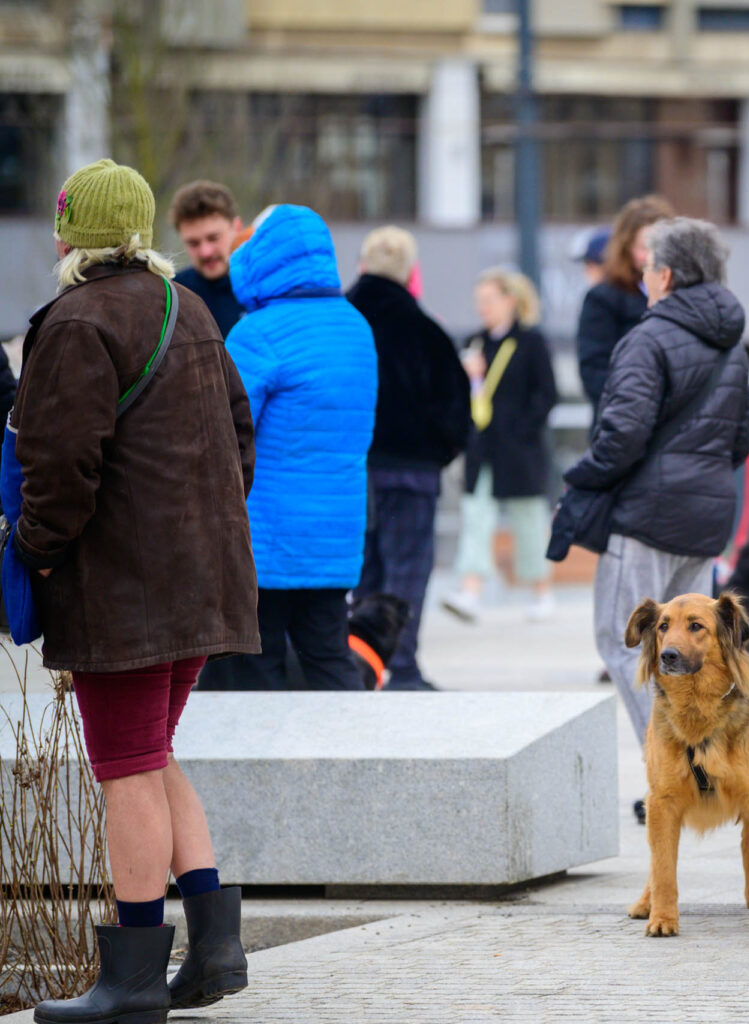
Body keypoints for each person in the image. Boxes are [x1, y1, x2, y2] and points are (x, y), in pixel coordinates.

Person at [21, 160, 258, 1021]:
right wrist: (205, 530)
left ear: (74, 233)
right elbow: (240, 434)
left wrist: (38, 552)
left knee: (124, 769)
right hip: (203, 583)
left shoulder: (77, 321)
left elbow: (58, 464)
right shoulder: (185, 305)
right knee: (153, 754)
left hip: (125, 591)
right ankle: (217, 949)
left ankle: (127, 984)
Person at [564, 216, 749, 818]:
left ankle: (676, 764)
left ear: (665, 274)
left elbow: (621, 434)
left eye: (647, 268)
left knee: (627, 642)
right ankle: (699, 763)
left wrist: (581, 478)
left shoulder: (648, 339)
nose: (642, 278)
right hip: (707, 515)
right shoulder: (731, 341)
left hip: (647, 514)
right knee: (690, 645)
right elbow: (741, 440)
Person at [196, 205, 378, 691]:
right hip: (335, 537)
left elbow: (221, 432)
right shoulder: (357, 328)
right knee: (328, 658)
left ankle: (266, 768)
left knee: (257, 668)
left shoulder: (257, 333)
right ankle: (355, 762)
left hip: (265, 543)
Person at [347, 227, 471, 690]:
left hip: (354, 469)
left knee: (364, 571)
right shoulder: (427, 331)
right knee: (407, 571)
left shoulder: (343, 320)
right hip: (411, 474)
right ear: (410, 271)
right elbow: (456, 409)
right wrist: (436, 454)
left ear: (362, 265)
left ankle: (362, 664)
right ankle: (401, 668)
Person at [441, 268, 558, 624]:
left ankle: (541, 591)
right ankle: (471, 590)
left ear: (511, 300)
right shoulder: (474, 342)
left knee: (528, 520)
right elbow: (460, 398)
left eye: (489, 300)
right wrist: (469, 377)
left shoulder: (531, 341)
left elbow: (546, 394)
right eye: (479, 301)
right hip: (483, 448)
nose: (483, 308)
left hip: (520, 450)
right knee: (476, 515)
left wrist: (523, 430)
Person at [576, 195, 673, 408]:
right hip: (626, 424)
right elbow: (594, 374)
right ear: (626, 248)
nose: (651, 256)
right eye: (643, 248)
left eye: (658, 247)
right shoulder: (603, 299)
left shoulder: (685, 295)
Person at [170, 180, 245, 337]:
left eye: (214, 238)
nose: (205, 252)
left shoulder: (266, 287)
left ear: (237, 227)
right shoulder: (174, 296)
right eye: (193, 243)